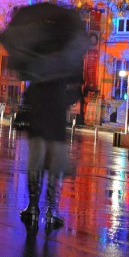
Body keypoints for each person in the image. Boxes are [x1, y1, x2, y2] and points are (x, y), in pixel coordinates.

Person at [20, 73, 81, 228]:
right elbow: (71, 96)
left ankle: (33, 206)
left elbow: (29, 96)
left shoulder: (38, 68)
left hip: (37, 122)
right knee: (55, 164)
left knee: (36, 162)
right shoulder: (63, 69)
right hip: (55, 123)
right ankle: (51, 209)